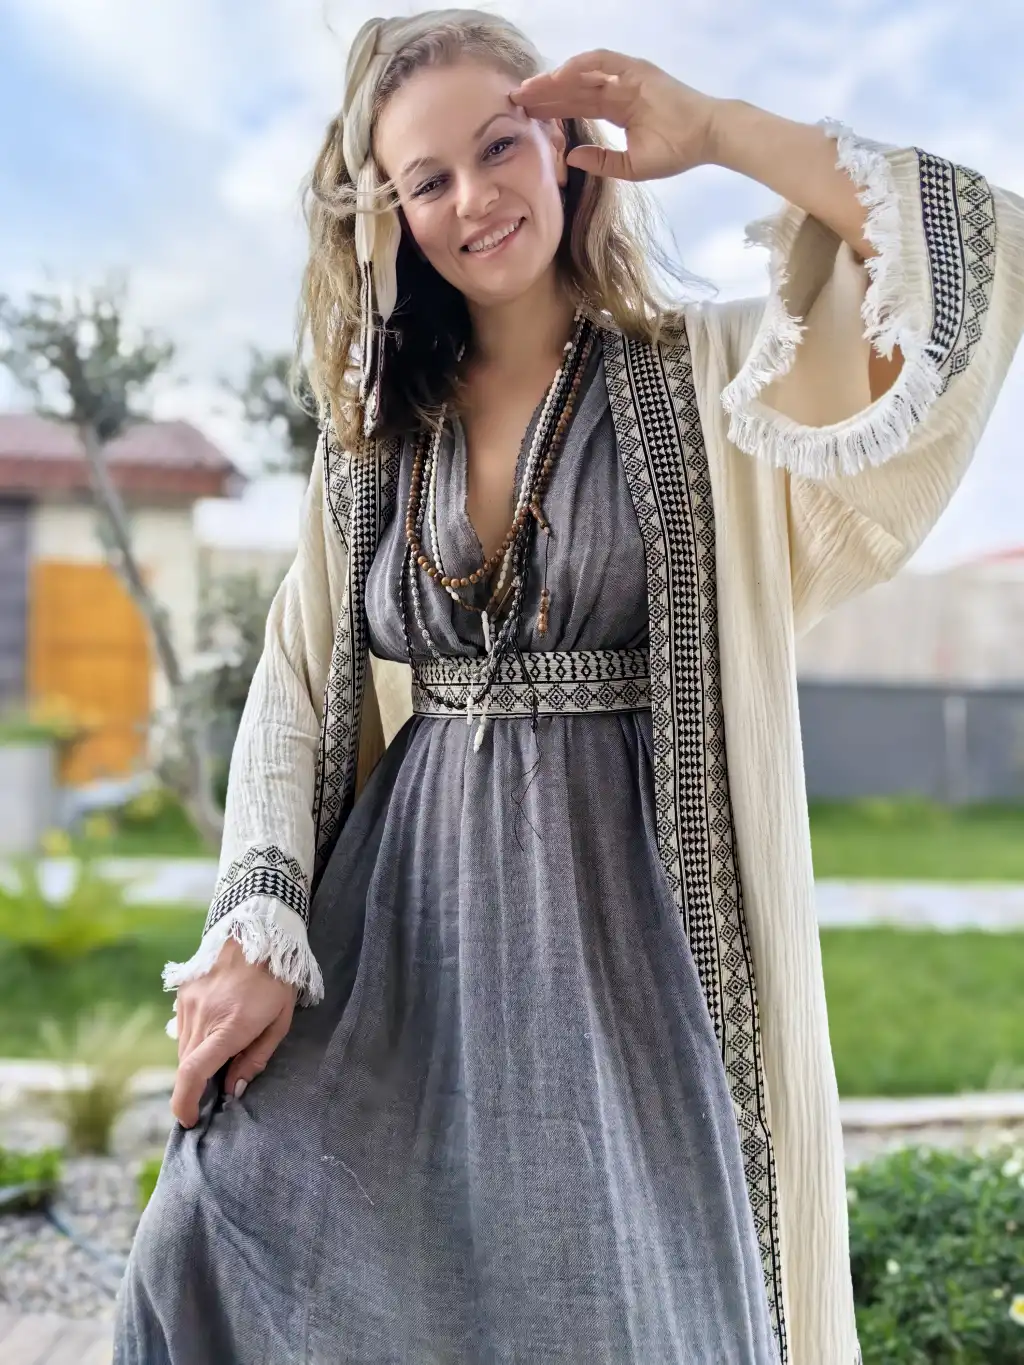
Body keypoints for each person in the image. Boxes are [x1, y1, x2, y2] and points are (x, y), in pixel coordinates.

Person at [114, 10, 1024, 1364]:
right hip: (400, 930)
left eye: (501, 146)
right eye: (427, 179)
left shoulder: (704, 380)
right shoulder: (378, 428)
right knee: (215, 1223)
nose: (474, 198)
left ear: (565, 146)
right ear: (390, 215)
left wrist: (712, 129)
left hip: (628, 935)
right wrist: (256, 924)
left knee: (615, 1306)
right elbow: (299, 673)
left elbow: (963, 241)